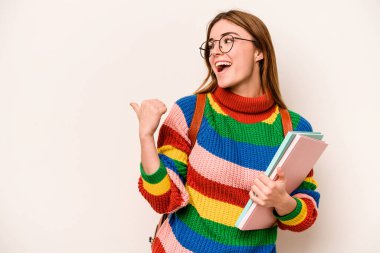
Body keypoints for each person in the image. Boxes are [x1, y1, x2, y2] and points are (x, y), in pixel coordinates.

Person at [130, 9, 320, 253]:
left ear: (259, 51)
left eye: (228, 40)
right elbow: (163, 199)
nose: (216, 50)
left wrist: (282, 202)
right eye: (211, 45)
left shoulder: (295, 129)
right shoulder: (190, 112)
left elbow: (306, 214)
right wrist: (146, 137)